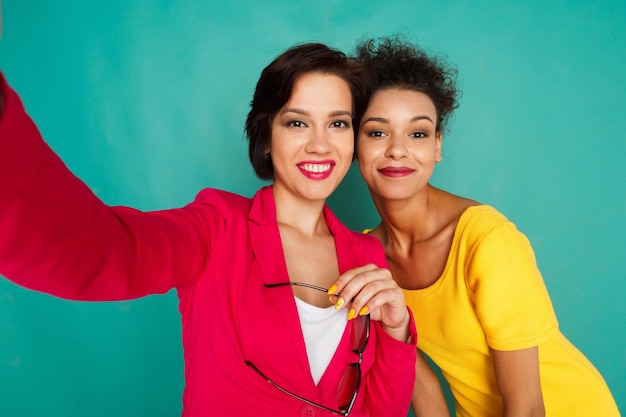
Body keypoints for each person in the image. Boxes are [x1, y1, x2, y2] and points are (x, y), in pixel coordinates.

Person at [0, 31, 419, 416]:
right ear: (266, 135)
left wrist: (397, 329)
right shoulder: (215, 228)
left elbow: (381, 410)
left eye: (338, 123)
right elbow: (102, 252)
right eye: (296, 122)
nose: (320, 144)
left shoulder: (365, 255)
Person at [354, 36, 620, 417]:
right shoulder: (364, 255)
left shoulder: (485, 240)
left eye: (418, 133)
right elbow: (421, 381)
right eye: (377, 132)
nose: (398, 149)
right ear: (353, 144)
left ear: (438, 146)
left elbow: (528, 408)